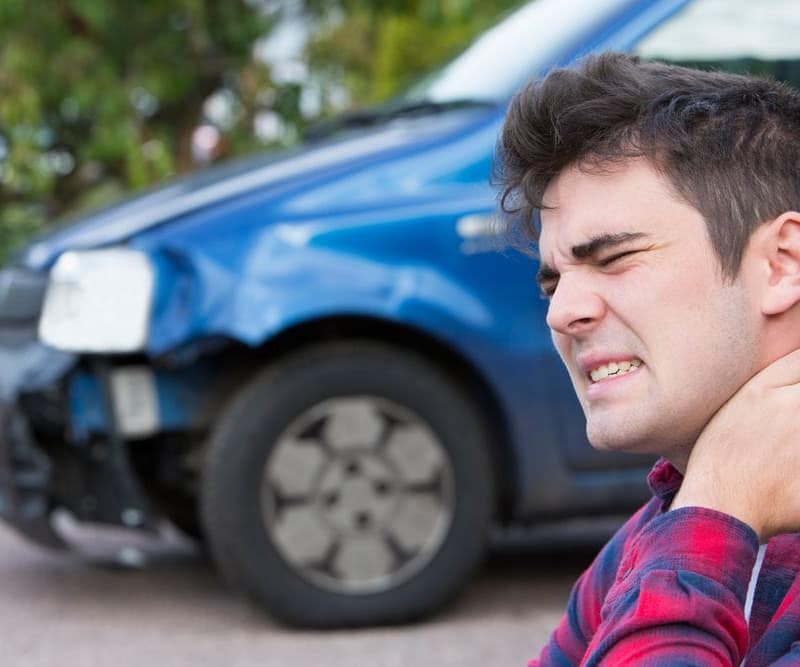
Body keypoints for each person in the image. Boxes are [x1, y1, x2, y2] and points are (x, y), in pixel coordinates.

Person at [497, 52, 800, 665]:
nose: (561, 313)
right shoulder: (660, 527)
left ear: (781, 264)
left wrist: (719, 504)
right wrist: (714, 502)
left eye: (614, 259)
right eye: (553, 283)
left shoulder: (703, 510)